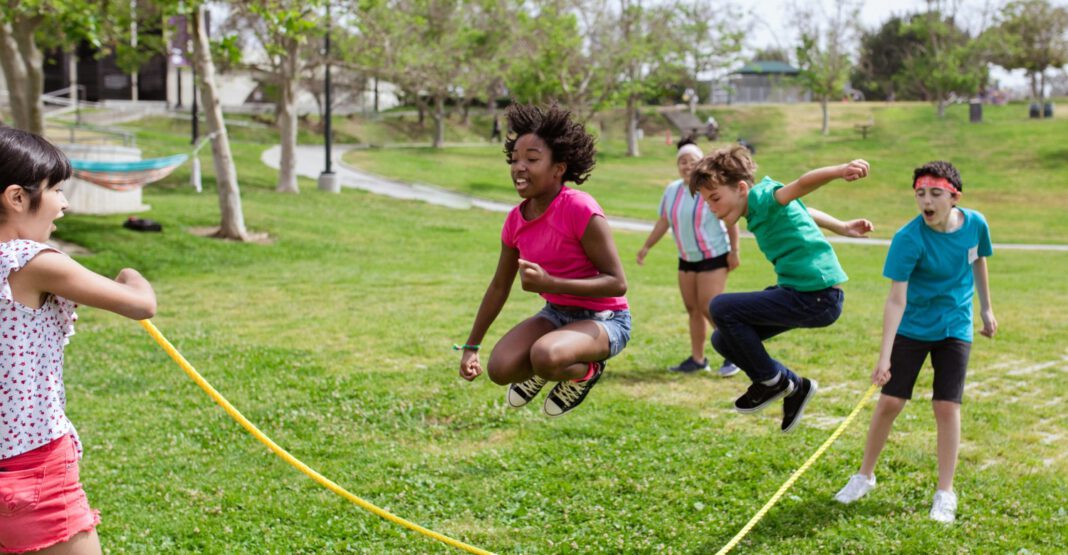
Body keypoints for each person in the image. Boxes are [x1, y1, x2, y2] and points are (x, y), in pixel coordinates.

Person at [0, 128, 157, 554]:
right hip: (33, 470)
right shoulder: (30, 261)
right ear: (17, 197)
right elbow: (141, 304)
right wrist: (131, 275)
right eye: (55, 189)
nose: (64, 203)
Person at [834, 161, 997, 524]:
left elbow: (978, 261)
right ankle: (864, 476)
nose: (926, 201)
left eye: (935, 194)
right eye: (920, 194)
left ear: (954, 198)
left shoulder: (975, 224)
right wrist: (884, 357)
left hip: (955, 325)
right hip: (914, 326)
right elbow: (896, 300)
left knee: (946, 406)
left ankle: (945, 492)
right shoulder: (908, 239)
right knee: (890, 401)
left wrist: (986, 308)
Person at [457, 104, 630, 417]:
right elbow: (499, 286)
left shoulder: (579, 208)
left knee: (545, 355)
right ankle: (544, 369)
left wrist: (551, 283)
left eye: (532, 159)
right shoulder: (515, 220)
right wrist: (472, 346)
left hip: (606, 319)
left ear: (558, 168)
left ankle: (586, 372)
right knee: (500, 368)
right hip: (556, 315)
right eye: (515, 159)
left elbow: (617, 283)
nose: (519, 167)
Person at [689, 146, 873, 432]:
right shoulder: (758, 209)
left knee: (720, 307)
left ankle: (773, 381)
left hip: (817, 296)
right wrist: (841, 227)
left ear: (741, 188)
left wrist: (840, 171)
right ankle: (795, 386)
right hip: (801, 294)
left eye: (715, 198)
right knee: (723, 340)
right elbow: (802, 208)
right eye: (706, 202)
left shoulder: (764, 197)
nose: (712, 208)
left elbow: (801, 185)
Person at [636, 138, 740, 376]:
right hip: (686, 258)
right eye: (682, 161)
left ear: (701, 163)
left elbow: (730, 219)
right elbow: (664, 221)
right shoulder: (672, 190)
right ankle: (697, 359)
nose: (686, 165)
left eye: (692, 160)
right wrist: (647, 246)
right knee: (693, 308)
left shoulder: (710, 188)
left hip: (713, 255)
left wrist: (735, 251)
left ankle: (734, 355)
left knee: (709, 307)